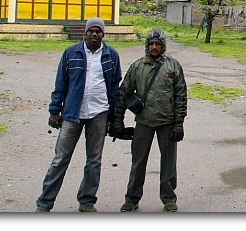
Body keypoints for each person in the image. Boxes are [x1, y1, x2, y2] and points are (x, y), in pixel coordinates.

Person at [36, 17, 122, 212]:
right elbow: (61, 84)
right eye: (91, 31)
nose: (94, 34)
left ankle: (86, 201)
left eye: (98, 31)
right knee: (60, 159)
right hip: (72, 114)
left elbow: (115, 87)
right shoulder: (71, 53)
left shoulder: (111, 55)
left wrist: (115, 115)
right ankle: (45, 203)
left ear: (103, 34)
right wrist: (54, 111)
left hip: (99, 113)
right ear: (85, 33)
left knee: (94, 161)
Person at [114, 28, 187, 212]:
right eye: (151, 44)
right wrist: (117, 120)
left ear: (163, 46)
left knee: (169, 163)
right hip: (144, 121)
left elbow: (181, 96)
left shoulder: (173, 67)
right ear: (147, 46)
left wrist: (179, 123)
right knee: (138, 162)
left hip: (167, 122)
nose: (154, 47)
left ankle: (169, 198)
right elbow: (123, 93)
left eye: (158, 44)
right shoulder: (137, 67)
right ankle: (132, 198)